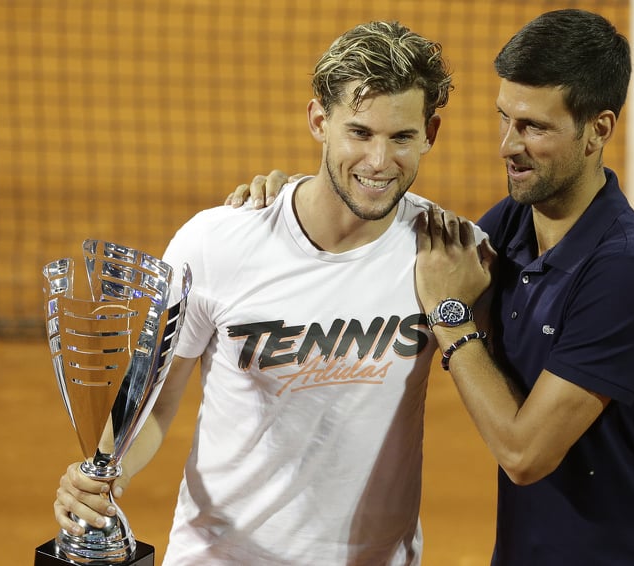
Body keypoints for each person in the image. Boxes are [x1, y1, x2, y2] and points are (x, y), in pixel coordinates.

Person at [231, 9, 634, 566]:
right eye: (504, 118)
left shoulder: (629, 271)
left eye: (534, 127)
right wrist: (297, 200)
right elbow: (379, 249)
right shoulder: (508, 228)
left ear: (598, 130)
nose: (508, 145)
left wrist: (453, 317)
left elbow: (524, 453)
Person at [53, 20, 486, 565]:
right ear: (318, 120)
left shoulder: (451, 255)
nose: (379, 161)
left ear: (431, 133)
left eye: (401, 137)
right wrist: (103, 473)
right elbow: (155, 404)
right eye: (359, 133)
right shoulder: (219, 241)